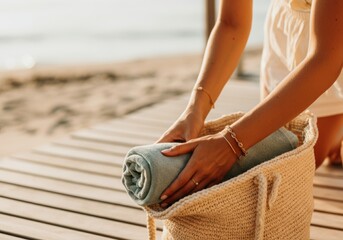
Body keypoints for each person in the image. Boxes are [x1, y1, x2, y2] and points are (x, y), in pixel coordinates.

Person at [157, 0, 343, 208]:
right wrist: (195, 110)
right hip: (288, 26)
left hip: (331, 48)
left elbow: (327, 58)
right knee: (280, 161)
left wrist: (231, 143)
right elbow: (231, 23)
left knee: (290, 168)